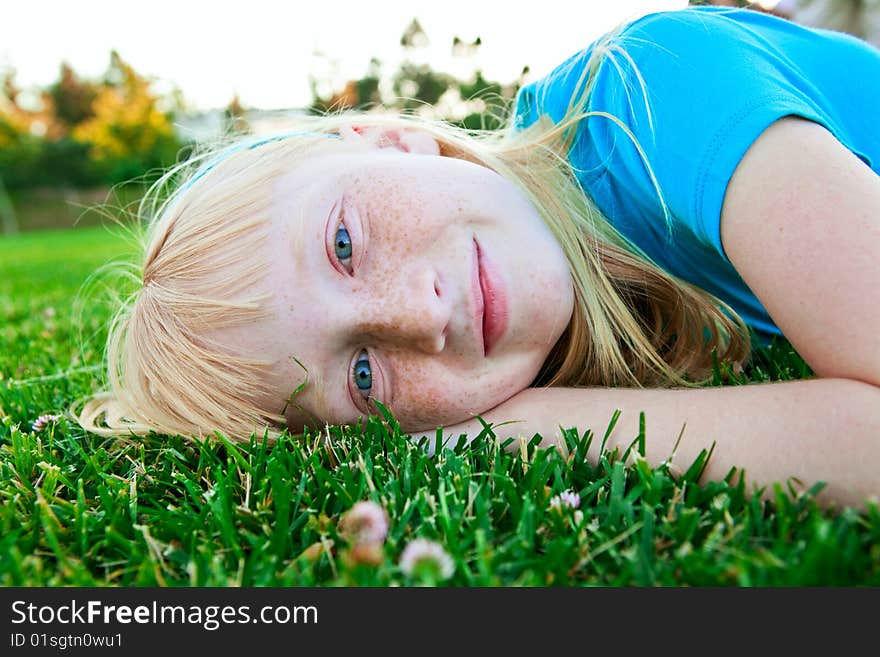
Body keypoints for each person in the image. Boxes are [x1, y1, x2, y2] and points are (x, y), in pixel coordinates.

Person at [76, 5, 880, 509]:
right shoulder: (590, 302)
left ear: (392, 139)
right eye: (362, 373)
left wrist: (539, 426)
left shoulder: (658, 91)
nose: (419, 314)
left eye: (345, 244)